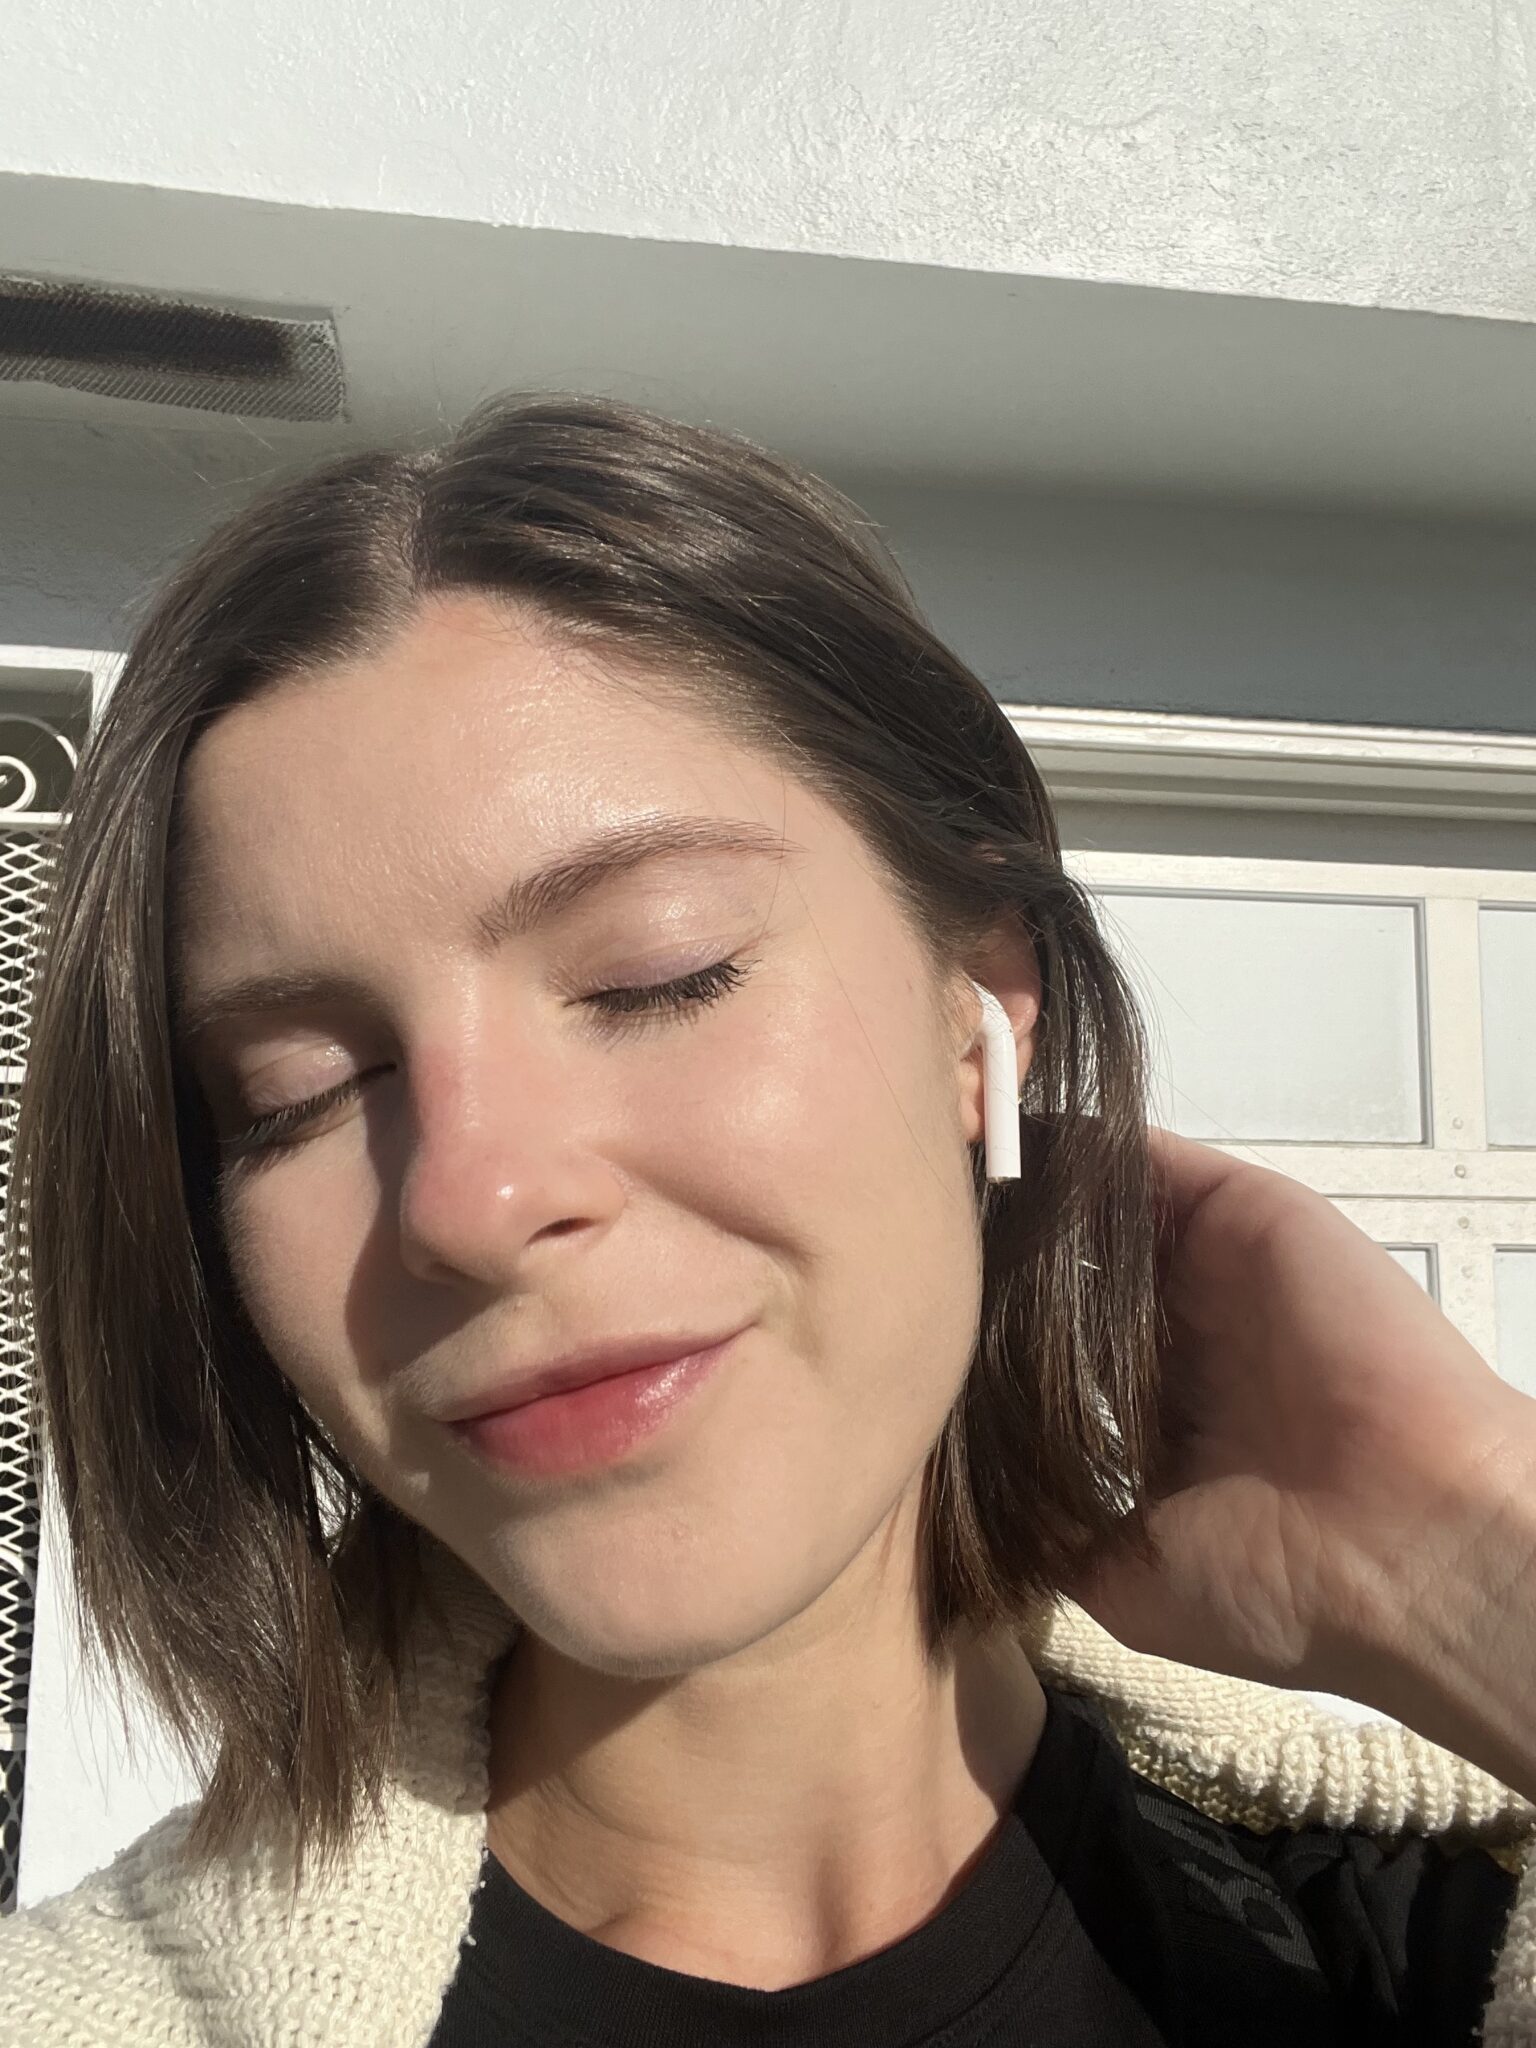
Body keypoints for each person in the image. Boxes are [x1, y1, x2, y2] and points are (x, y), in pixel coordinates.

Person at [4, 393, 1534, 2046]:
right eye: (299, 1093)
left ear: (982, 1013)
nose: (470, 1198)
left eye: (657, 973)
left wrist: (1469, 1569)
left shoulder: (1427, 1959)